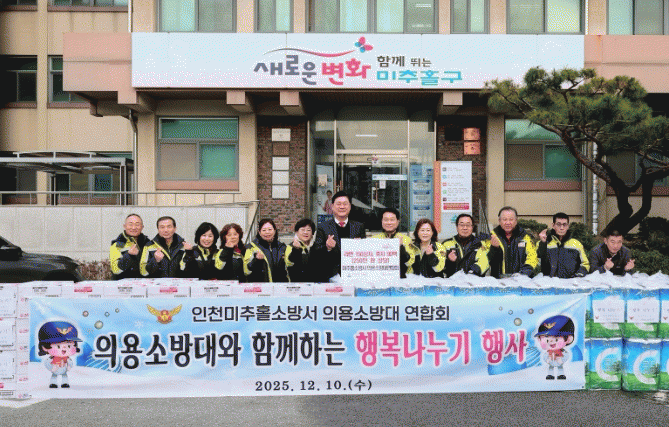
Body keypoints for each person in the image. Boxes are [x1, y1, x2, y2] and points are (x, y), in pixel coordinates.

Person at [313, 191, 366, 281]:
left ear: (350, 206)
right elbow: (316, 254)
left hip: (354, 275)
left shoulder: (359, 227)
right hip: (330, 276)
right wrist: (327, 247)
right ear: (332, 206)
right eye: (338, 204)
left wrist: (359, 246)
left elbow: (365, 254)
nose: (342, 207)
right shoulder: (323, 227)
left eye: (345, 204)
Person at [488, 206, 538, 278]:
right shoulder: (492, 237)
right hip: (499, 281)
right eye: (504, 219)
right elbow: (485, 260)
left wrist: (525, 273)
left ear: (516, 221)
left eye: (511, 219)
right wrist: (494, 249)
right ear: (499, 221)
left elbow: (532, 257)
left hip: (521, 279)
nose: (508, 223)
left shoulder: (524, 237)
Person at [537, 212, 589, 278]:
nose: (562, 228)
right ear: (553, 225)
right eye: (558, 224)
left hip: (571, 282)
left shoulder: (576, 244)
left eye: (564, 225)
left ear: (568, 226)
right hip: (549, 282)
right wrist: (543, 244)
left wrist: (578, 275)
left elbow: (585, 264)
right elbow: (537, 264)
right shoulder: (543, 243)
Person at [38, 320, 82, 388]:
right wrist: (52, 368)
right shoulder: (51, 359)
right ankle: (53, 383)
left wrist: (68, 367)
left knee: (64, 375)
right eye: (58, 346)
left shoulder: (67, 358)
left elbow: (70, 363)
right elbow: (47, 363)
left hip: (63, 369)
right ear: (44, 347)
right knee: (54, 375)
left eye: (69, 346)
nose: (64, 349)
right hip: (55, 369)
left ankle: (65, 383)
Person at [371, 207, 412, 278]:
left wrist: (401, 247)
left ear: (398, 221)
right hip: (379, 278)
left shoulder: (406, 240)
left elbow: (409, 262)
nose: (389, 223)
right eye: (386, 220)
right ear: (381, 221)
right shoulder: (374, 239)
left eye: (392, 220)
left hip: (400, 279)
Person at [109, 213, 150, 280]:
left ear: (142, 227)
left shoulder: (148, 243)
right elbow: (115, 270)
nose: (133, 228)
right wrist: (129, 256)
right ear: (124, 226)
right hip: (123, 284)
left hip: (144, 283)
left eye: (137, 225)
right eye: (130, 224)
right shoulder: (117, 244)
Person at [535, 315, 575, 380]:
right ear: (539, 339)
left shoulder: (562, 351)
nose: (551, 341)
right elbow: (545, 356)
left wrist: (561, 359)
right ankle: (550, 374)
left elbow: (566, 355)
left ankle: (561, 374)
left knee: (560, 367)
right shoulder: (548, 352)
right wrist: (548, 359)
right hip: (551, 361)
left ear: (568, 339)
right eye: (547, 340)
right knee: (551, 367)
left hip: (559, 361)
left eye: (556, 339)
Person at [287, 218, 318, 282]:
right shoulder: (290, 247)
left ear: (312, 233)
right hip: (297, 284)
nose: (305, 232)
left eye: (308, 230)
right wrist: (296, 249)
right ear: (296, 232)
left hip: (315, 285)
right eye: (302, 230)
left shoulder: (316, 247)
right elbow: (289, 263)